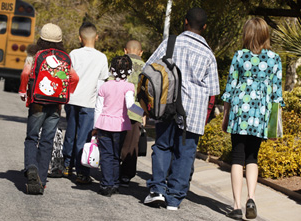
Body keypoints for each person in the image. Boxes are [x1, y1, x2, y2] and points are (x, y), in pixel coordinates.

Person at [143, 7, 220, 210]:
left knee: (162, 146)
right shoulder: (209, 54)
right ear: (204, 27)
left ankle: (157, 190)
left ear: (185, 22)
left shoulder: (171, 43)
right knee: (185, 154)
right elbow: (213, 91)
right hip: (194, 112)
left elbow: (148, 69)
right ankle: (174, 198)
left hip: (166, 104)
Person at [222, 18, 284, 220]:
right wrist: (275, 124)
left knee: (237, 158)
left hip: (240, 111)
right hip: (260, 113)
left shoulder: (239, 56)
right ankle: (251, 198)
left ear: (247, 34)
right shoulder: (274, 58)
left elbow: (230, 89)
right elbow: (277, 94)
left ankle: (237, 205)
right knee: (252, 157)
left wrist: (225, 117)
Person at [19, 23, 79, 194]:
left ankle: (31, 166)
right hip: (56, 105)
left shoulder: (35, 55)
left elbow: (25, 74)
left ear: (41, 38)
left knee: (32, 137)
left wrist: (23, 90)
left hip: (37, 102)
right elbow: (74, 78)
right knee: (47, 141)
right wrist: (66, 92)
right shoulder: (65, 57)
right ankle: (42, 181)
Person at [62, 22, 109, 184]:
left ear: (80, 38)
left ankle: (66, 166)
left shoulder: (73, 54)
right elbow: (102, 83)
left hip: (72, 99)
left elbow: (66, 76)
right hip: (89, 102)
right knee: (84, 137)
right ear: (96, 37)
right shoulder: (102, 57)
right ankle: (82, 172)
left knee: (70, 133)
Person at [93, 55, 144, 196]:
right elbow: (130, 105)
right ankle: (115, 183)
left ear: (111, 69)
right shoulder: (128, 87)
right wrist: (143, 112)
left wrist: (95, 127)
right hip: (120, 126)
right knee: (116, 155)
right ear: (129, 71)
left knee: (106, 155)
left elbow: (98, 108)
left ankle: (106, 184)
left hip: (103, 125)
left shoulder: (105, 86)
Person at [119, 40, 146, 187]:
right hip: (136, 111)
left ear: (125, 50)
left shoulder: (119, 63)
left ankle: (112, 169)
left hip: (118, 109)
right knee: (132, 144)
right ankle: (126, 175)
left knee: (117, 141)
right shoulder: (146, 67)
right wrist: (145, 114)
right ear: (140, 52)